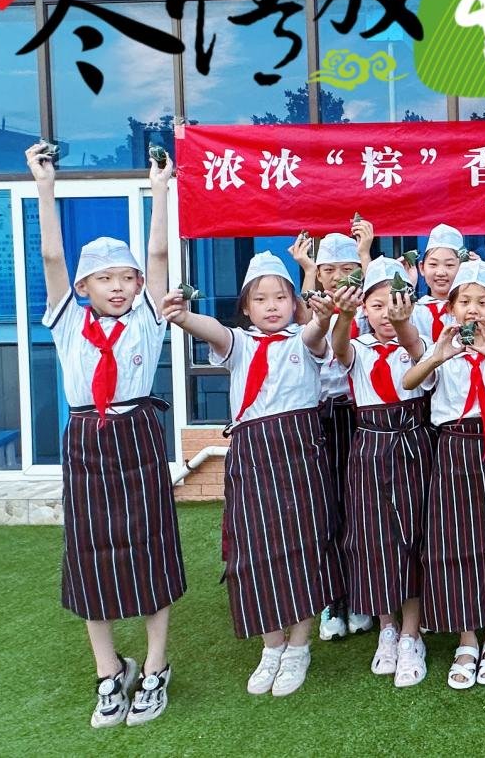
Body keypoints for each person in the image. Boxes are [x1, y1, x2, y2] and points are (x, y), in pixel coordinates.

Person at [27, 143, 185, 728]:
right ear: (84, 286)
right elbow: (50, 255)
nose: (117, 287)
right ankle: (108, 672)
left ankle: (155, 667)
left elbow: (160, 251)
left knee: (150, 548)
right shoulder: (68, 321)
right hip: (86, 439)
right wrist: (44, 186)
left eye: (126, 277)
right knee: (89, 555)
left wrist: (159, 189)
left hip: (137, 432)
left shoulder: (147, 317)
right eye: (103, 278)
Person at [162, 252, 341, 697]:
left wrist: (321, 317)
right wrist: (183, 317)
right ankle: (271, 645)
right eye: (260, 299)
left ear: (294, 303)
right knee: (254, 551)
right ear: (246, 306)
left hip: (300, 450)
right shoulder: (239, 344)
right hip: (252, 454)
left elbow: (317, 333)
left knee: (303, 546)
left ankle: (298, 646)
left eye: (280, 297)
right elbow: (212, 329)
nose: (272, 306)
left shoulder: (304, 339)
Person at [403, 261, 485, 689]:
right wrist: (438, 356)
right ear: (451, 307)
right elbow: (410, 381)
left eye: (483, 302)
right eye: (465, 301)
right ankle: (466, 638)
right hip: (453, 448)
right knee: (454, 542)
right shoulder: (441, 345)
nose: (473, 309)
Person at [329, 257, 433, 687]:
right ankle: (386, 627)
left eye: (395, 303)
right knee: (375, 538)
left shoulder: (418, 340)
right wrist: (343, 315)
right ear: (364, 309)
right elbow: (338, 349)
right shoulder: (358, 347)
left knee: (413, 535)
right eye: (377, 305)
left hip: (412, 442)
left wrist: (404, 322)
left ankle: (412, 633)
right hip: (370, 445)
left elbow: (419, 355)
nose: (387, 313)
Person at [290, 228, 376, 642]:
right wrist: (306, 270)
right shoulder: (311, 311)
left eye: (348, 268)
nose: (339, 277)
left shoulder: (369, 309)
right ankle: (332, 597)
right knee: (325, 507)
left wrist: (366, 252)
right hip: (318, 418)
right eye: (329, 270)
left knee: (359, 506)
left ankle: (360, 594)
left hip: (360, 417)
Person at [411, 223, 467, 342]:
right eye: (433, 264)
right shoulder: (413, 310)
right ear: (422, 268)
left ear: (463, 268)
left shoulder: (468, 310)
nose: (441, 272)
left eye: (449, 265)